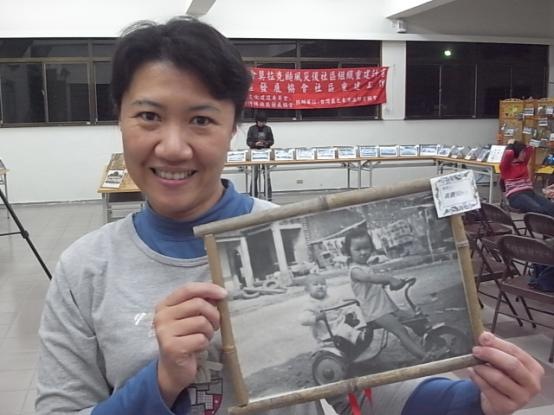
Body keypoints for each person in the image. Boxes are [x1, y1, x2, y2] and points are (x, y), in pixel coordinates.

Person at [35, 16, 543, 415]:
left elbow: (370, 389)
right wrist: (161, 380)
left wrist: (476, 401)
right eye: (148, 116)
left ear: (234, 128)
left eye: (201, 120)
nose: (172, 147)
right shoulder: (85, 270)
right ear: (119, 118)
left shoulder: (288, 227)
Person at [343, 227, 428, 360]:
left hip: (387, 307)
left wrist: (395, 283)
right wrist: (389, 279)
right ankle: (424, 356)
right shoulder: (355, 271)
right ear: (349, 251)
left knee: (414, 319)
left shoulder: (366, 267)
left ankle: (429, 340)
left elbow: (374, 285)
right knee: (401, 331)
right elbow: (370, 278)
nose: (363, 252)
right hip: (376, 312)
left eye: (366, 248)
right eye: (358, 249)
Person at [299, 274, 363, 350]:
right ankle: (360, 338)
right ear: (307, 290)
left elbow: (342, 306)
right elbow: (303, 320)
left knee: (353, 323)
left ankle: (360, 338)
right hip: (326, 333)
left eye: (323, 284)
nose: (320, 286)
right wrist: (316, 317)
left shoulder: (332, 298)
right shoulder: (309, 305)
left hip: (340, 326)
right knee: (346, 331)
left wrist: (349, 313)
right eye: (315, 284)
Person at [499, 140, 554, 216]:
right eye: (522, 152)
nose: (524, 154)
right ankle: (538, 223)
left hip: (530, 193)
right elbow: (508, 153)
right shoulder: (506, 167)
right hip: (515, 196)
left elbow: (530, 149)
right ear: (515, 153)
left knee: (551, 207)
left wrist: (525, 145)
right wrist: (511, 145)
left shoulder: (523, 163)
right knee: (539, 210)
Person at [246, 111, 274, 199]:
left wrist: (265, 143)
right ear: (257, 121)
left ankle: (268, 195)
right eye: (261, 122)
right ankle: (253, 195)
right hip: (254, 153)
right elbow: (248, 142)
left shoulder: (268, 129)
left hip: (266, 153)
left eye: (264, 122)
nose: (262, 124)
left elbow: (272, 141)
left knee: (267, 175)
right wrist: (255, 144)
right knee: (254, 175)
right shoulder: (251, 129)